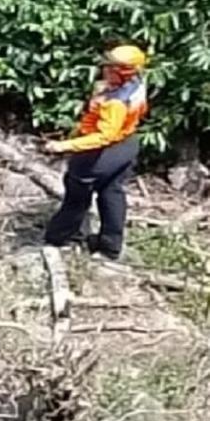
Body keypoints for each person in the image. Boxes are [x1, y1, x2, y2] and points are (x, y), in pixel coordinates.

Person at [43, 45, 149, 260]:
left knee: (77, 196)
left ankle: (58, 238)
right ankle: (110, 247)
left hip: (101, 152)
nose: (105, 69)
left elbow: (104, 136)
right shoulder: (135, 86)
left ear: (123, 71)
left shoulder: (115, 103)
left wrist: (63, 146)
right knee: (112, 192)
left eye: (112, 67)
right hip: (126, 144)